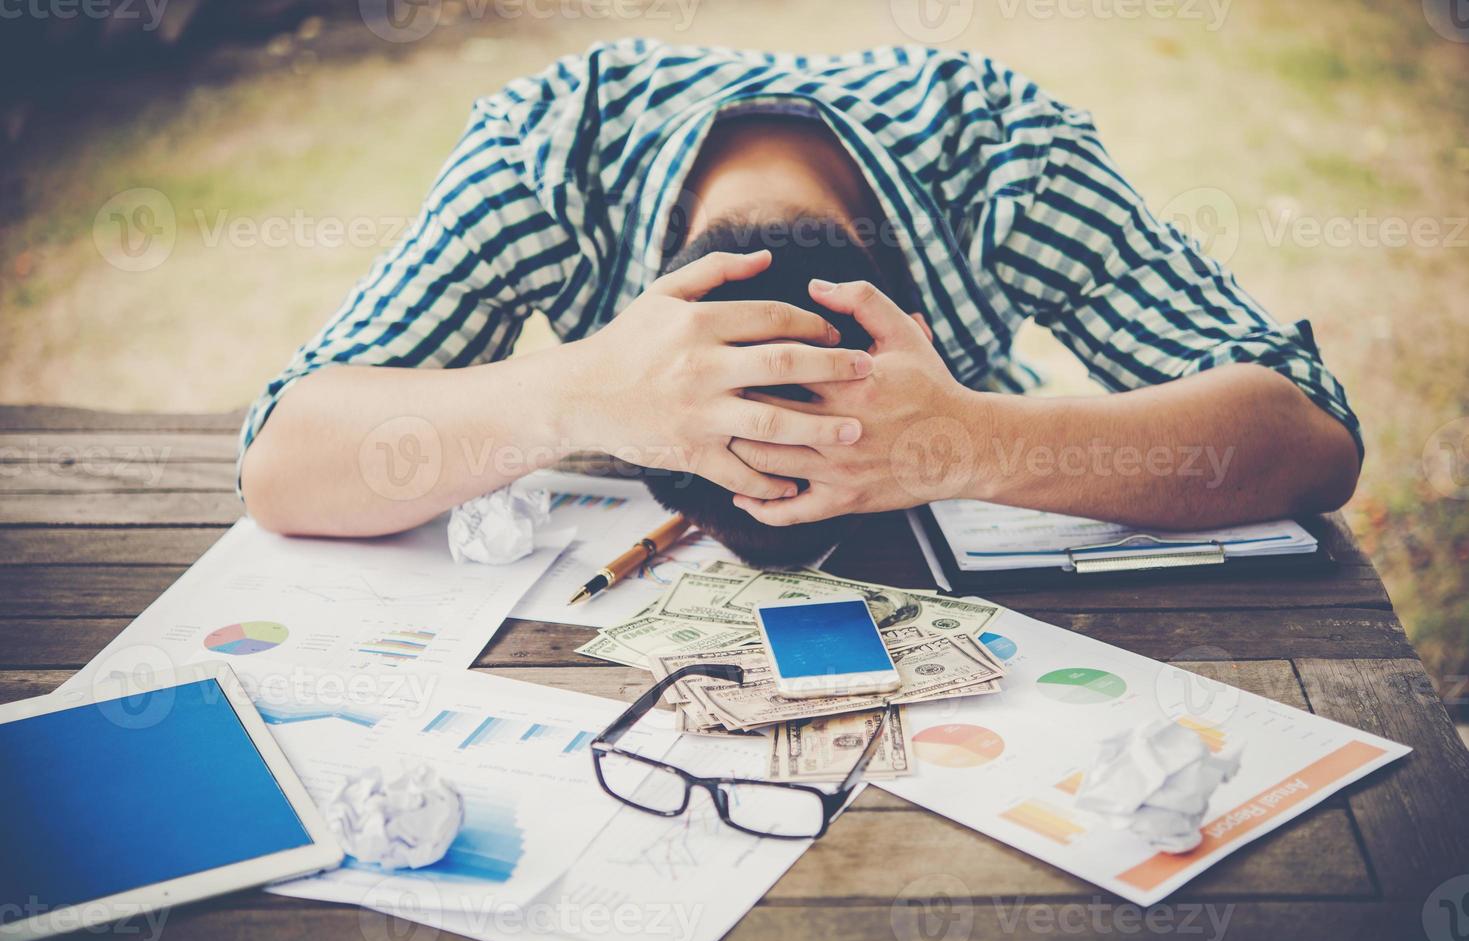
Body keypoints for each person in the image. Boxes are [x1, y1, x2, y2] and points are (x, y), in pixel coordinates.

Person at [240, 39, 1361, 568]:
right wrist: (571, 396)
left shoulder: (1000, 150)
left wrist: (971, 440)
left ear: (909, 312)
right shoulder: (547, 153)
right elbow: (284, 458)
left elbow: (1308, 439)